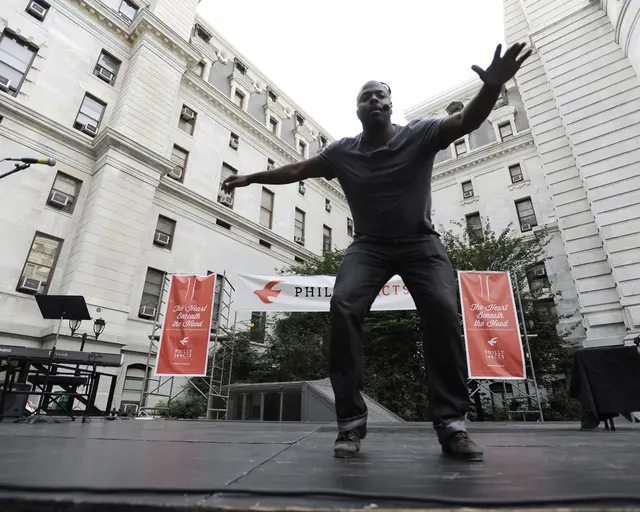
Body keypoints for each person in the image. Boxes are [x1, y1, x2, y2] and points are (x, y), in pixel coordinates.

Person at [222, 43, 532, 462]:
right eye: (365, 96)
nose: (373, 100)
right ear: (357, 110)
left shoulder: (420, 134)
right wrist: (249, 177)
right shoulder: (341, 152)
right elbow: (295, 169)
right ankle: (350, 424)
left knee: (442, 309)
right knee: (344, 306)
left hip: (421, 244)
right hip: (369, 247)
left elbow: (466, 120)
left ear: (390, 104)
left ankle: (453, 426)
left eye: (380, 95)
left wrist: (492, 88)